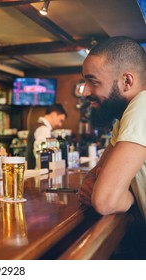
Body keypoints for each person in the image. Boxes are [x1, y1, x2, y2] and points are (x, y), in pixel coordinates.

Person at [78, 36, 146, 221]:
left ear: (127, 81)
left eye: (93, 81)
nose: (84, 92)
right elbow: (93, 179)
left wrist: (130, 198)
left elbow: (105, 200)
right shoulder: (123, 119)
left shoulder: (143, 104)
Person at [26, 104, 67, 169]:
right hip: (38, 172)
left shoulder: (39, 126)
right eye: (60, 120)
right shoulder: (43, 129)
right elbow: (41, 154)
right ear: (53, 114)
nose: (60, 125)